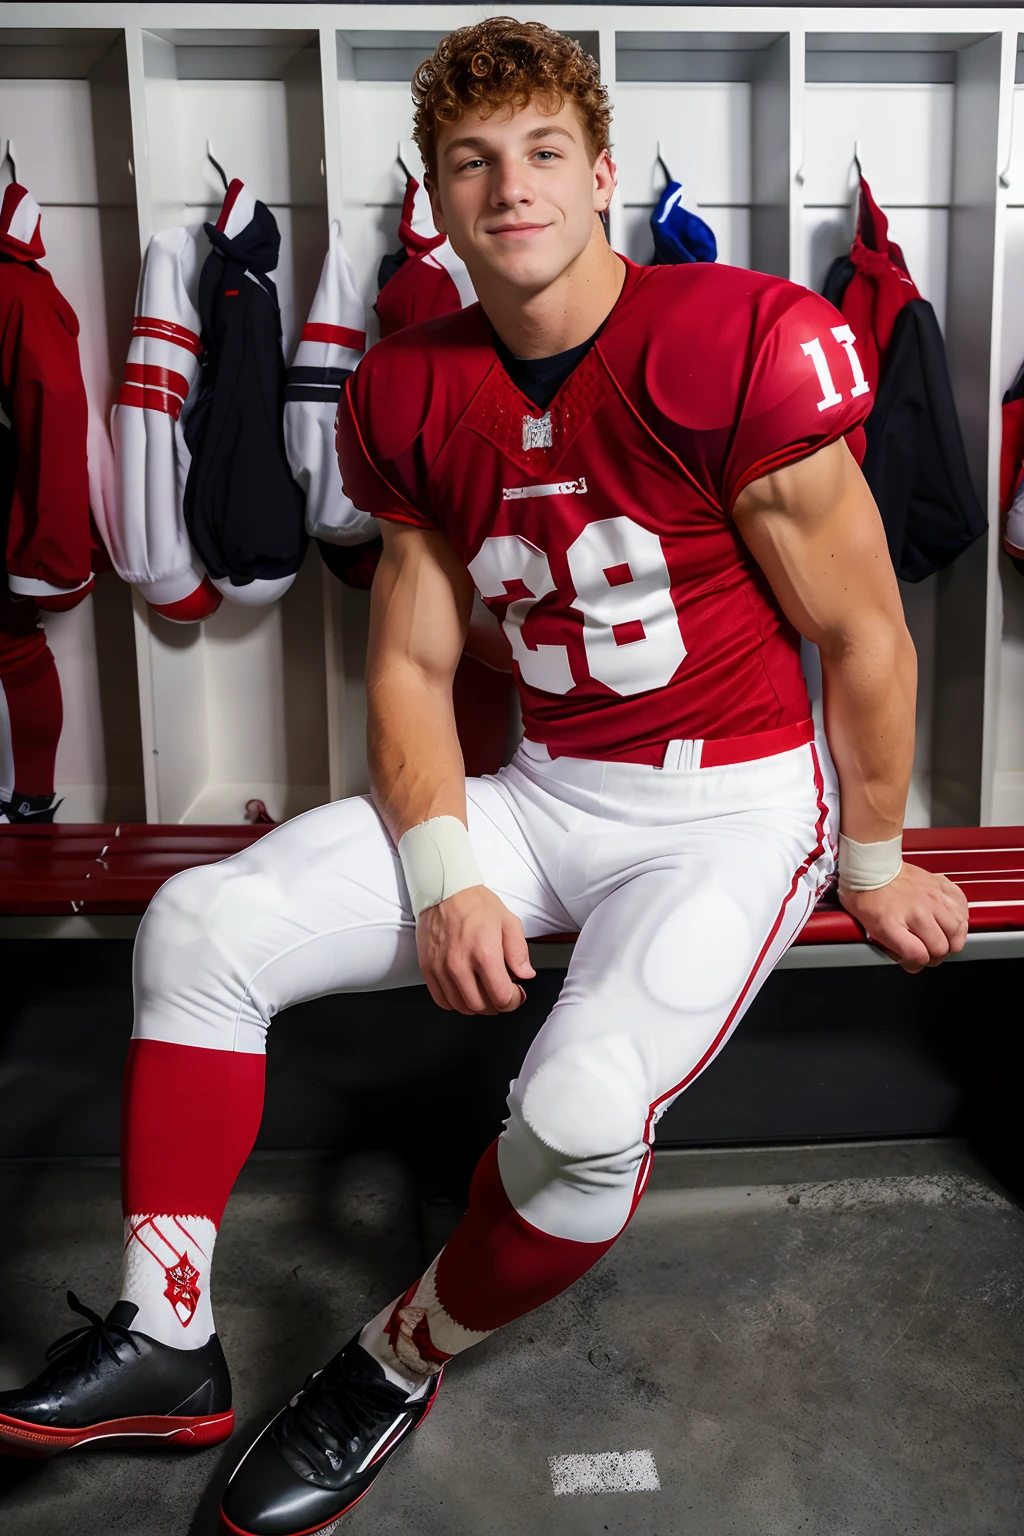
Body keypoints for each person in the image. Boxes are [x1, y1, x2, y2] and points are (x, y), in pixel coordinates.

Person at [0, 19, 968, 1536]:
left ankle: (394, 1359)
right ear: (435, 200)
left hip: (729, 807)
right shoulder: (408, 382)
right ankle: (169, 1330)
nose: (508, 187)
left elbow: (864, 634)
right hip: (549, 783)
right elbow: (404, 666)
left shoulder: (735, 334)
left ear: (595, 174)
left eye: (538, 154)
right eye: (471, 162)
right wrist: (450, 874)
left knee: (578, 1110)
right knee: (198, 929)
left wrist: (873, 857)